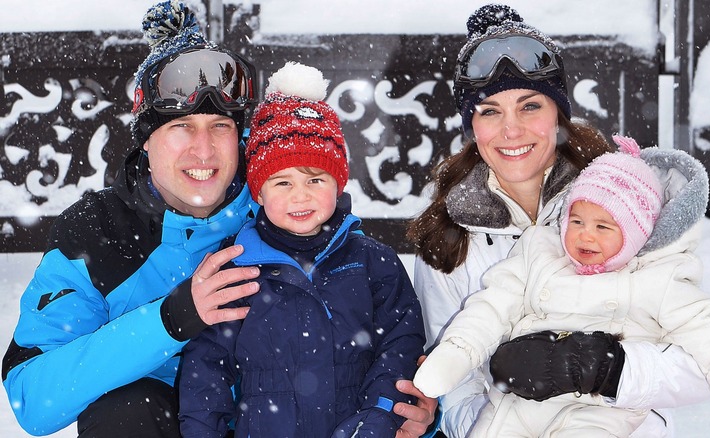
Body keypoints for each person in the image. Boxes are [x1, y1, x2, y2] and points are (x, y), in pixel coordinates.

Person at [1, 2, 434, 437]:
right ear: (146, 140)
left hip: (270, 422)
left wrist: (411, 415)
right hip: (160, 424)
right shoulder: (97, 231)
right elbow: (32, 399)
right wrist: (170, 320)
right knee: (128, 409)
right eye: (181, 127)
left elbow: (374, 339)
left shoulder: (283, 207)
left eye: (219, 127)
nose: (204, 151)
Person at [406, 4, 710, 437]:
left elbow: (700, 362)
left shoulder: (622, 203)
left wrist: (604, 369)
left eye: (529, 106)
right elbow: (454, 386)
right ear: (471, 125)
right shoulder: (450, 238)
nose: (511, 130)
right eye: (490, 111)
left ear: (558, 114)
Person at [413, 135, 710, 436]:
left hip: (599, 413)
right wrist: (458, 351)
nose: (585, 235)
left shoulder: (656, 277)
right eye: (577, 220)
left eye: (603, 226)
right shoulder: (541, 253)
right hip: (520, 401)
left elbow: (705, 327)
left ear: (634, 234)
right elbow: (490, 307)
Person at [177, 62, 426, 438]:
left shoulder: (373, 261)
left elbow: (400, 344)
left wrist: (379, 416)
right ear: (258, 192)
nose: (301, 195)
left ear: (338, 182)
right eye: (282, 183)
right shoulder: (235, 267)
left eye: (315, 178)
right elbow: (206, 369)